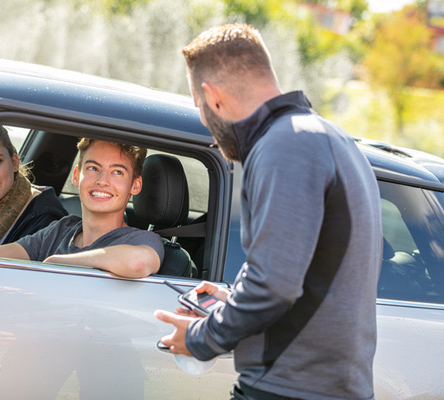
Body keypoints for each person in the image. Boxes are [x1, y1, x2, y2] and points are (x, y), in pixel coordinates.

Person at [155, 24, 382, 400]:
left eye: (198, 106)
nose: (205, 125)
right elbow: (306, 275)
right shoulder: (328, 137)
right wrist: (234, 300)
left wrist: (200, 337)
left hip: (288, 389)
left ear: (212, 96)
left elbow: (274, 284)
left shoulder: (284, 145)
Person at [0, 138, 164, 279]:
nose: (102, 180)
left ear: (135, 185)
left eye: (117, 172)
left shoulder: (142, 240)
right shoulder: (62, 229)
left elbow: (137, 263)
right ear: (76, 175)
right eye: (93, 168)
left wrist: (58, 262)